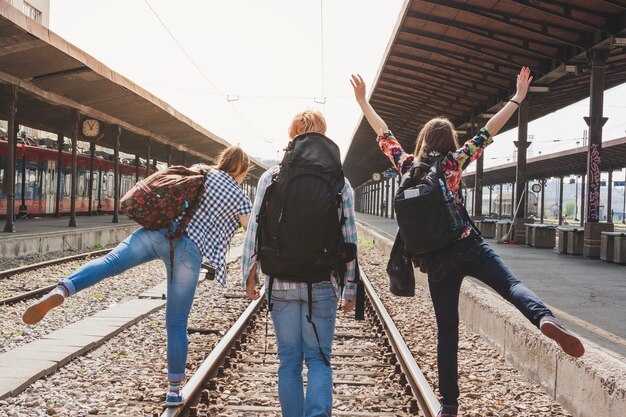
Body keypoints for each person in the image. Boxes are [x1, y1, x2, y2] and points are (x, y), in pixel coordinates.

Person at [351, 67, 584, 417]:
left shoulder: (406, 165)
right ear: (450, 143)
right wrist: (518, 97)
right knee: (511, 285)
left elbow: (384, 133)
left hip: (436, 260)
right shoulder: (455, 162)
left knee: (447, 332)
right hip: (468, 245)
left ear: (423, 141)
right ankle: (544, 319)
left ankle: (449, 405)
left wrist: (362, 101)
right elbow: (489, 131)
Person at [22, 146, 253, 407]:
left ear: (221, 161)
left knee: (109, 263)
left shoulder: (201, 171)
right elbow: (251, 236)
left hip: (156, 233)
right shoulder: (239, 196)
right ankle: (175, 390)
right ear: (243, 171)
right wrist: (252, 271)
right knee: (176, 323)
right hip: (189, 252)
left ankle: (62, 289)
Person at [242, 110, 357, 417]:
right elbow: (349, 238)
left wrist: (249, 274)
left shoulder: (272, 176)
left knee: (289, 361)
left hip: (280, 282)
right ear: (323, 136)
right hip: (321, 281)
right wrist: (350, 288)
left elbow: (255, 229)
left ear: (292, 136)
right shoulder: (339, 182)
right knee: (318, 359)